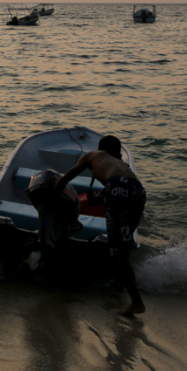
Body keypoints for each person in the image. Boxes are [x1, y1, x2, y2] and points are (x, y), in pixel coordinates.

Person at [52, 135, 147, 316]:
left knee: (118, 250)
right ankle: (119, 284)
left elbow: (64, 180)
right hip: (138, 190)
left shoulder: (91, 156)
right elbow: (121, 182)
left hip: (117, 187)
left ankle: (137, 302)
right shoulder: (122, 165)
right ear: (116, 152)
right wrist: (102, 197)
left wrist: (53, 202)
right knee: (124, 243)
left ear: (99, 148)